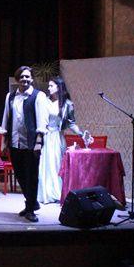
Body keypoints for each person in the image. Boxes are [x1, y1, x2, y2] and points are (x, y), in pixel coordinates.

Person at [0, 66, 49, 222]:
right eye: (22, 77)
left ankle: (30, 209)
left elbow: (42, 120)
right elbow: (6, 118)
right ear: (17, 79)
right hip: (15, 142)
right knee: (20, 175)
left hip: (31, 143)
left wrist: (39, 141)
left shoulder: (38, 96)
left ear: (32, 79)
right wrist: (4, 141)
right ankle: (32, 202)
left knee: (31, 176)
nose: (24, 79)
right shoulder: (10, 96)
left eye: (27, 76)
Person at [37, 76, 88, 204]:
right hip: (45, 136)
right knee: (45, 165)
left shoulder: (67, 104)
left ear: (58, 87)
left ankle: (58, 192)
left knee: (56, 164)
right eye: (49, 85)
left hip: (57, 137)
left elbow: (71, 123)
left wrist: (81, 134)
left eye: (51, 85)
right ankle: (46, 194)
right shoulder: (45, 101)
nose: (48, 88)